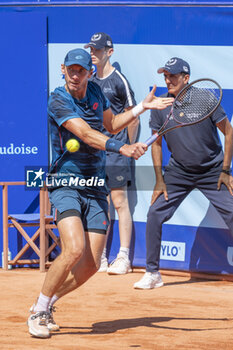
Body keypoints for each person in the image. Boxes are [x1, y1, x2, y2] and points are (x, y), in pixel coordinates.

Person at [27, 48, 174, 338]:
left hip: (95, 186)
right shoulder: (58, 98)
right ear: (63, 69)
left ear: (89, 73)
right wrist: (122, 147)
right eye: (71, 69)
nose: (75, 75)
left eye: (81, 70)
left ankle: (44, 304)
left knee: (93, 264)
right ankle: (38, 312)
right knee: (74, 248)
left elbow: (111, 124)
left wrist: (140, 108)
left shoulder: (95, 91)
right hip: (66, 183)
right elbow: (84, 133)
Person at [134, 57, 233, 290]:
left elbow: (229, 133)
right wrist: (159, 179)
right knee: (155, 214)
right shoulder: (160, 105)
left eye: (173, 76)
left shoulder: (206, 98)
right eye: (165, 76)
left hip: (212, 171)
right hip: (179, 172)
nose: (168, 80)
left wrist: (226, 170)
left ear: (185, 78)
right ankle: (152, 272)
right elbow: (156, 143)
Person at [84, 32, 139, 274]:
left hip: (117, 152)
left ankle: (124, 258)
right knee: (100, 205)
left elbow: (132, 116)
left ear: (110, 52)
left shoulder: (119, 80)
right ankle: (100, 257)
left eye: (97, 50)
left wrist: (128, 147)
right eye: (91, 50)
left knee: (119, 203)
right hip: (96, 152)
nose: (93, 54)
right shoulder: (91, 81)